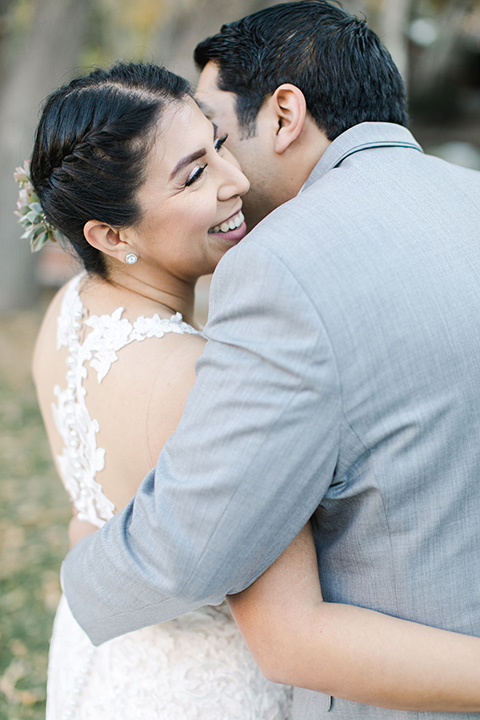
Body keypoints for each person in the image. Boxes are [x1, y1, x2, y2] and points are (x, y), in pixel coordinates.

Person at [39, 0, 480, 708]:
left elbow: (197, 553)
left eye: (217, 137)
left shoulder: (279, 266)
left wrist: (79, 569)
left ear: (283, 114)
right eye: (196, 163)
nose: (231, 178)